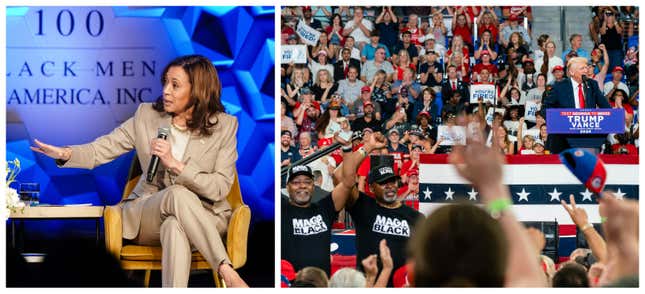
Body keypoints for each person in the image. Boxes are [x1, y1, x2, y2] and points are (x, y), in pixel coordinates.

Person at [30, 55, 247, 287]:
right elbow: (102, 148)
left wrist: (175, 164)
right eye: (165, 82)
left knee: (174, 226)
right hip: (148, 213)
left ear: (198, 90)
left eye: (175, 85)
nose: (166, 91)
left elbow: (220, 188)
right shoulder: (147, 116)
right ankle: (226, 270)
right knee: (177, 194)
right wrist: (65, 154)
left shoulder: (224, 126)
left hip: (205, 217)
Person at [281, 133, 386, 276]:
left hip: (322, 285)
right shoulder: (282, 209)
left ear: (313, 185)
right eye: (296, 182)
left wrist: (351, 148)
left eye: (307, 182)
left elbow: (348, 181)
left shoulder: (324, 207)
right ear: (287, 187)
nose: (302, 186)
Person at [345, 160, 424, 286]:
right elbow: (341, 180)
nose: (389, 186)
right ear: (371, 187)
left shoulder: (416, 217)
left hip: (402, 285)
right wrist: (362, 150)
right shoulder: (363, 206)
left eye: (392, 181)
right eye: (383, 183)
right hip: (368, 284)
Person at [541, 57, 611, 154]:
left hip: (588, 138)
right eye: (582, 68)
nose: (586, 70)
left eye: (587, 68)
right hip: (562, 139)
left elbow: (607, 108)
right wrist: (557, 122)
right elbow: (545, 108)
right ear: (572, 72)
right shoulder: (559, 87)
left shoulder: (592, 85)